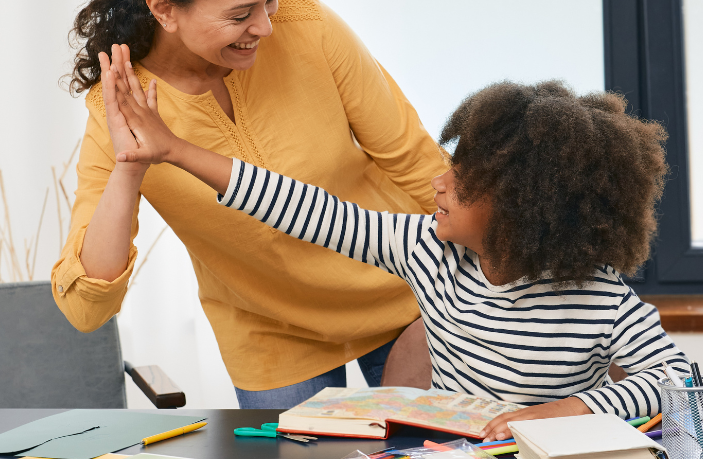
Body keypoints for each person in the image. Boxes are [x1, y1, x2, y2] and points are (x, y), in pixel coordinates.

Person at [106, 74, 690, 441]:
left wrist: (562, 409)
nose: (438, 184)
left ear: (521, 211)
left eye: (461, 183)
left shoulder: (598, 297)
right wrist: (177, 150)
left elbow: (677, 379)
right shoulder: (430, 252)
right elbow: (306, 209)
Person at [51, 0, 449, 409]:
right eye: (240, 14)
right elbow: (87, 308)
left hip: (404, 297)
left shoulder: (306, 25)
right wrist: (129, 169)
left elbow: (417, 162)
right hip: (271, 335)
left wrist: (474, 294)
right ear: (163, 8)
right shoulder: (121, 106)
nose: (264, 26)